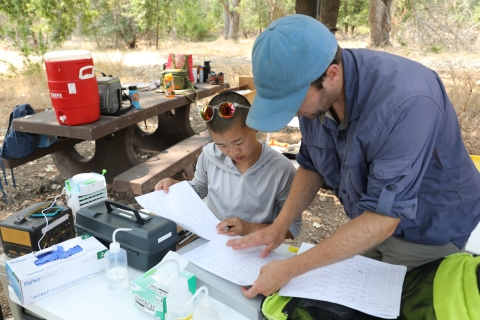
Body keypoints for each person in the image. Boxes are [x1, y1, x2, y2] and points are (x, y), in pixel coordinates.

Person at [227, 14, 480, 298]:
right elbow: (312, 165)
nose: (294, 113)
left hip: (430, 226)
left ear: (332, 75)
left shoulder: (407, 101)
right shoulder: (317, 93)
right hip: (372, 217)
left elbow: (383, 220)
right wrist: (280, 225)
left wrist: (289, 268)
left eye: (294, 103)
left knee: (389, 305)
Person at [155, 92, 302, 238]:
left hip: (256, 246)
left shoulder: (281, 169)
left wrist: (249, 228)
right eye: (221, 145)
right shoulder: (209, 156)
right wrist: (175, 187)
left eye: (239, 142)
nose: (232, 152)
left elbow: (292, 227)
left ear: (255, 126)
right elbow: (199, 189)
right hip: (211, 238)